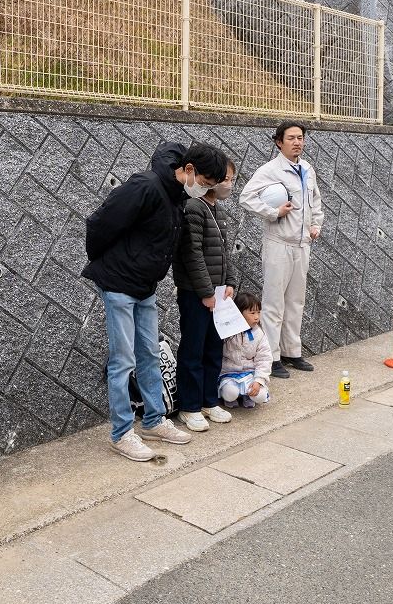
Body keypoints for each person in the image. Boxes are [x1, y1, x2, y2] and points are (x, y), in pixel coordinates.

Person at [83, 141, 229, 462]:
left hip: (145, 286)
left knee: (149, 353)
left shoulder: (177, 196)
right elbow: (99, 224)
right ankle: (121, 433)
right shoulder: (145, 185)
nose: (205, 189)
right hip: (119, 283)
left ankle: (153, 420)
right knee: (123, 360)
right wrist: (109, 264)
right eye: (205, 182)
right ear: (188, 170)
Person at [240, 122, 324, 379]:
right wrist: (273, 212)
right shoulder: (270, 170)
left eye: (300, 138)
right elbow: (246, 197)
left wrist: (315, 224)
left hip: (302, 245)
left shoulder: (307, 169)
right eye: (291, 138)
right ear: (279, 142)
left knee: (296, 301)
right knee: (274, 302)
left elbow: (315, 201)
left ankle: (292, 351)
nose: (297, 142)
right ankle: (272, 356)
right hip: (278, 243)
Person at [173, 161, 238, 432]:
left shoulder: (217, 209)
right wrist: (206, 292)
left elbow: (224, 252)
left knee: (213, 348)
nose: (229, 185)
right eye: (226, 179)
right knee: (193, 349)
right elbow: (192, 253)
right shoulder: (193, 207)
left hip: (218, 294)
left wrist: (230, 282)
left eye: (232, 179)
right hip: (196, 293)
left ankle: (209, 401)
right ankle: (189, 407)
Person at [219, 290, 272, 407]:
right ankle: (230, 396)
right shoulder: (227, 331)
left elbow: (264, 358)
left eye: (258, 312)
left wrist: (259, 380)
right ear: (238, 313)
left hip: (250, 374)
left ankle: (247, 395)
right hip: (229, 373)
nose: (257, 317)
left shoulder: (259, 333)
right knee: (230, 393)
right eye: (252, 313)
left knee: (260, 396)